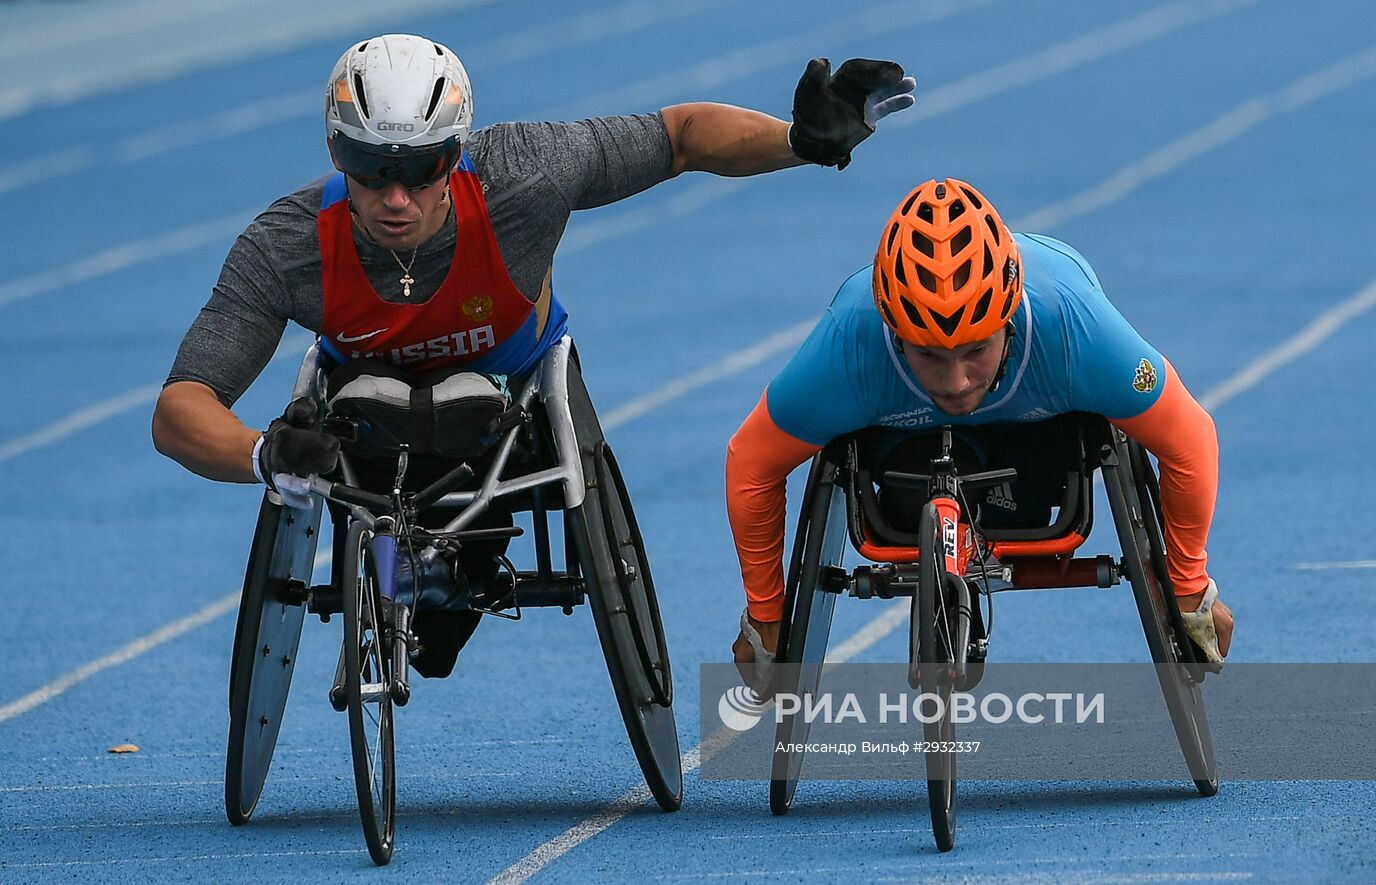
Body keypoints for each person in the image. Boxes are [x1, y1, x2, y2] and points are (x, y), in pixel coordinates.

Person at [151, 33, 915, 677]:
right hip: (371, 433)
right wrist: (261, 454)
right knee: (360, 437)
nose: (396, 196)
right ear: (334, 150)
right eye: (371, 166)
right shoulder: (286, 247)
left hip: (506, 423)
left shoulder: (525, 173)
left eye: (420, 168)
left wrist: (802, 141)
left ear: (455, 151)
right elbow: (181, 406)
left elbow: (678, 138)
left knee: (472, 430)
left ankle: (451, 574)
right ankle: (399, 576)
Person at [727, 177, 1234, 688]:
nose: (957, 382)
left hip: (1038, 436)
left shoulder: (1076, 329)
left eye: (976, 350)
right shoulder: (849, 344)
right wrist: (767, 614)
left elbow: (1189, 438)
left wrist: (1187, 584)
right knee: (905, 494)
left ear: (1009, 320)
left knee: (1034, 489)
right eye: (929, 354)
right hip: (908, 447)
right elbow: (751, 463)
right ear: (895, 334)